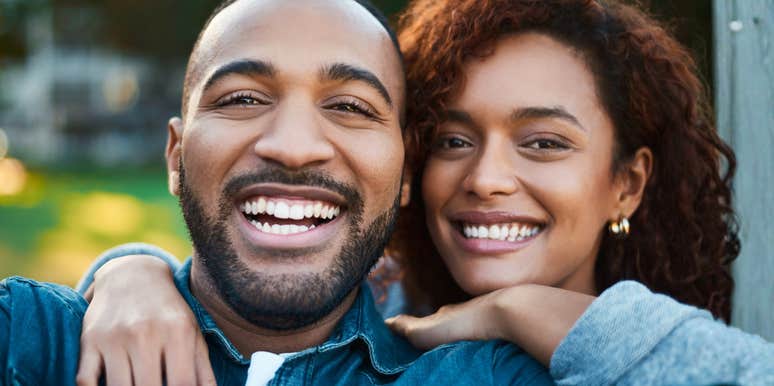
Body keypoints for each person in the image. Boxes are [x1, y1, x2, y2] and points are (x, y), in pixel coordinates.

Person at [76, 0, 774, 385]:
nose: (487, 178)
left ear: (627, 184)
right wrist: (131, 273)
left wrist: (519, 312)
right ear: (408, 170)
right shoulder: (379, 311)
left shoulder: (661, 357)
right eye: (454, 139)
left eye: (543, 142)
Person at [0, 1, 555, 385]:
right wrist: (128, 269)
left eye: (349, 107)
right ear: (175, 156)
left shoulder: (490, 376)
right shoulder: (31, 340)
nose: (293, 147)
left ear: (407, 173)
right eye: (242, 98)